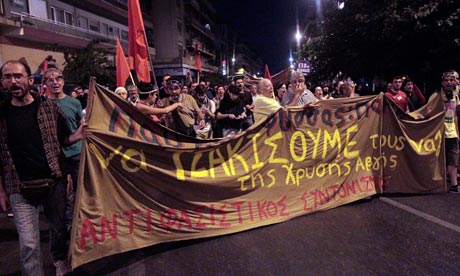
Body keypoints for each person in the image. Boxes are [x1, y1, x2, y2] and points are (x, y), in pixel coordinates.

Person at [0, 60, 86, 276]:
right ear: (2, 82)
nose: (13, 81)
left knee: (59, 231)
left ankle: (60, 261)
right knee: (28, 245)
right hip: (19, 188)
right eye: (8, 77)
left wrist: (77, 136)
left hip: (53, 183)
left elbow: (63, 140)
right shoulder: (0, 114)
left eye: (18, 76)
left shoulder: (50, 108)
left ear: (30, 80)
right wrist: (1, 190)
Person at [44, 68, 84, 234]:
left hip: (76, 155)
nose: (55, 82)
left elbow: (81, 124)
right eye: (50, 79)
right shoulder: (42, 104)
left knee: (81, 195)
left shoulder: (74, 103)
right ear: (45, 83)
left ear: (63, 81)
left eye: (58, 78)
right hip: (56, 159)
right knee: (60, 199)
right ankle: (65, 232)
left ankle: (80, 230)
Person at [429, 72, 460, 194]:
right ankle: (434, 184)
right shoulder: (435, 97)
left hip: (452, 134)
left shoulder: (455, 97)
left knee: (453, 160)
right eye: (446, 80)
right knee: (436, 160)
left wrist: (457, 133)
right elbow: (428, 113)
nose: (449, 82)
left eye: (451, 80)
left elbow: (455, 116)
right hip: (439, 134)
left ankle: (454, 185)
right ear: (442, 82)